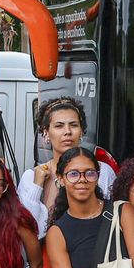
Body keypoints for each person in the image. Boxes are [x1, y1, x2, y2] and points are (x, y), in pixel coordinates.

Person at [18, 98, 117, 233]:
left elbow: (113, 219)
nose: (67, 132)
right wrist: (37, 187)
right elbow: (27, 230)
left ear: (82, 131)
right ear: (46, 133)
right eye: (59, 126)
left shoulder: (103, 171)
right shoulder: (31, 177)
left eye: (74, 125)